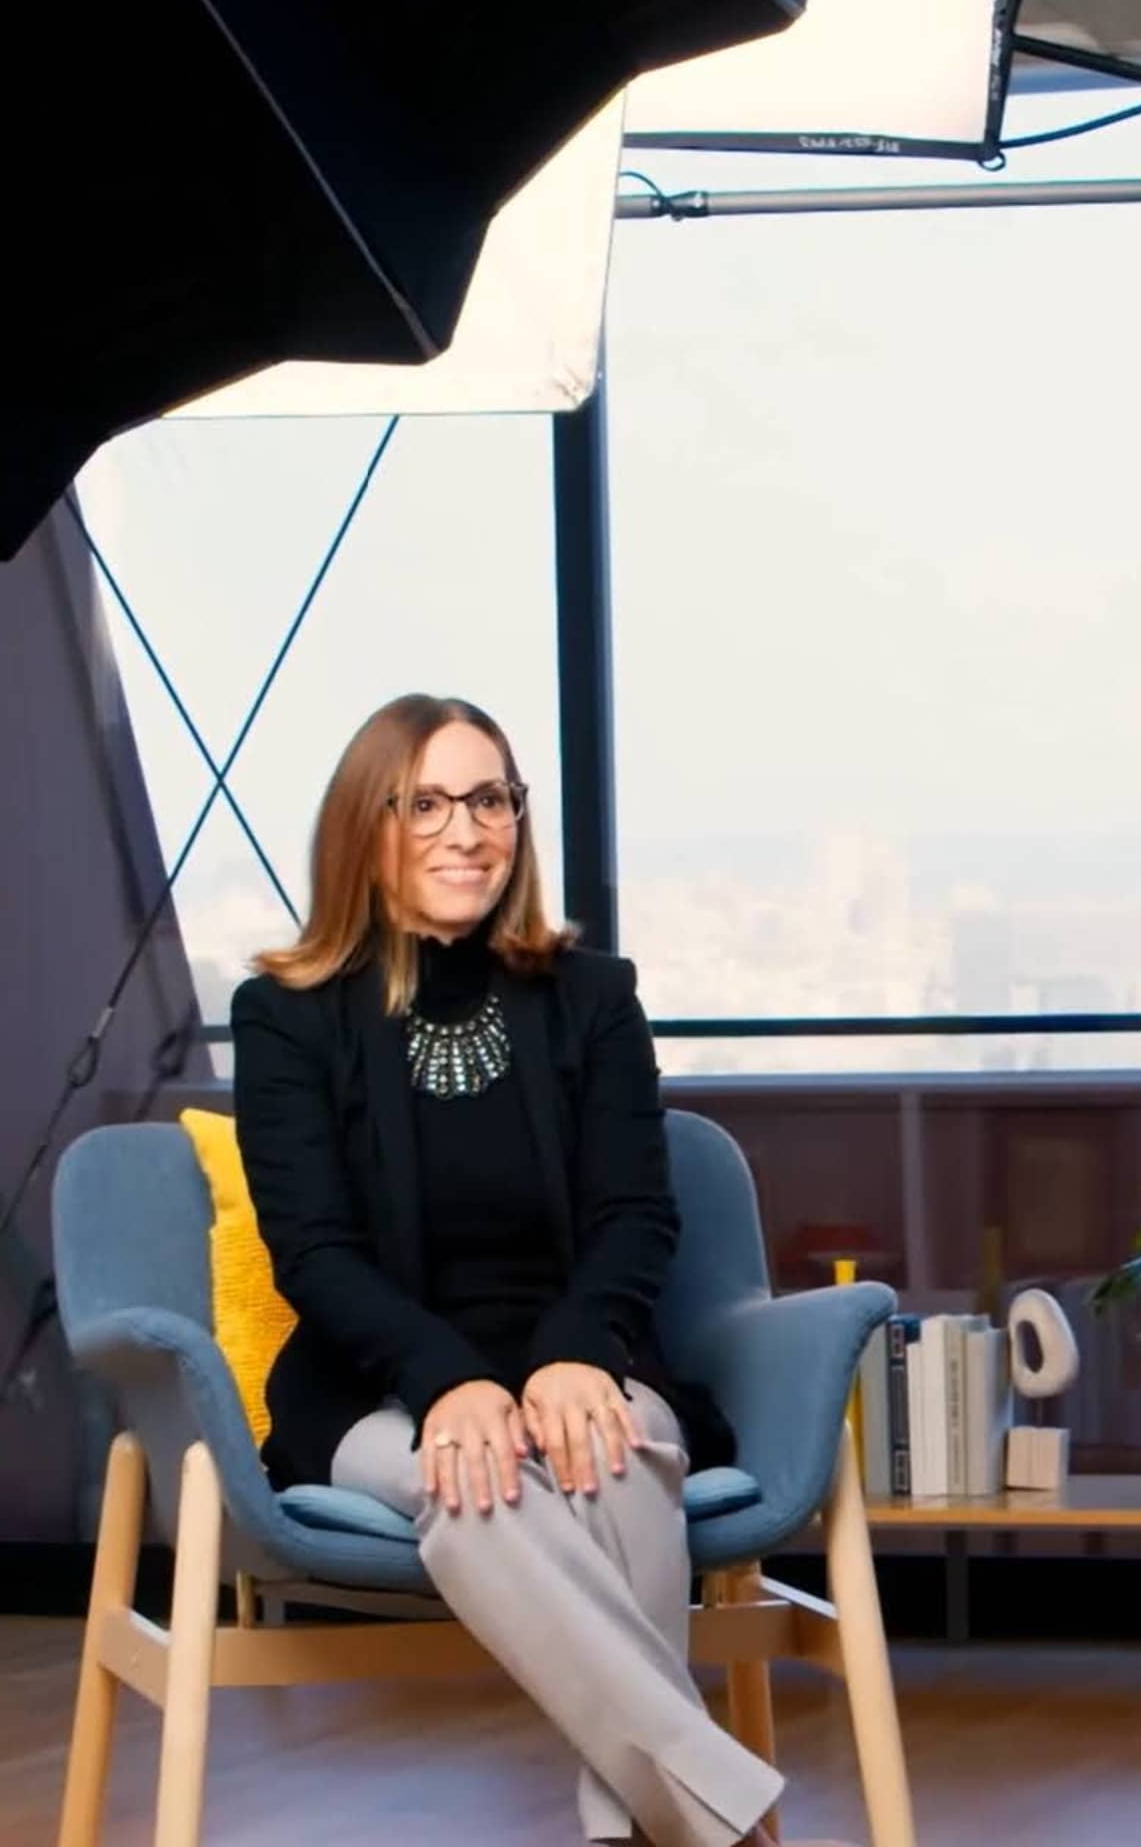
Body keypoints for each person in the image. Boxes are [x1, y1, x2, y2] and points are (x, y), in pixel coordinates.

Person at [231, 694, 819, 1847]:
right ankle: (724, 1817)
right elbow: (314, 1251)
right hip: (380, 1384)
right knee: (477, 1482)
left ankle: (642, 1828)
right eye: (427, 802)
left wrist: (576, 1351)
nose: (467, 829)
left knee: (617, 1456)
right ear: (365, 824)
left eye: (490, 797)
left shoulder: (593, 997)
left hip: (580, 1357)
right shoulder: (287, 1016)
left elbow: (636, 1214)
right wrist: (448, 1379)